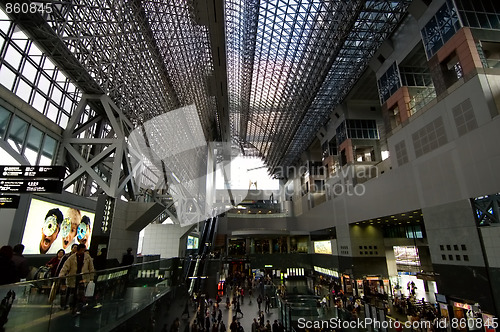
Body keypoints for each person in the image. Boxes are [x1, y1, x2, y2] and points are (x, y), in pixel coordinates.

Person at [58, 243, 95, 314]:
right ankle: (72, 306)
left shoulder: (87, 257)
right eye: (82, 250)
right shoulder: (72, 258)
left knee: (81, 292)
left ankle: (79, 307)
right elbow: (65, 266)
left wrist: (91, 277)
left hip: (83, 277)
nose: (83, 252)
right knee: (72, 292)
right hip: (73, 277)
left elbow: (91, 268)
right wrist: (62, 274)